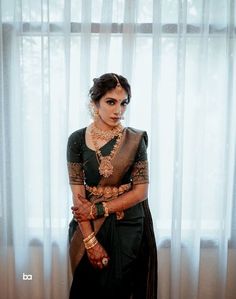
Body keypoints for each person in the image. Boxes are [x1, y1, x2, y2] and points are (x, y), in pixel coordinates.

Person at [67, 73, 157, 299]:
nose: (118, 110)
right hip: (88, 226)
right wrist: (90, 242)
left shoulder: (135, 140)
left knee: (121, 290)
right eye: (111, 102)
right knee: (87, 290)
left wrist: (98, 209)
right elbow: (78, 196)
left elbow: (141, 191)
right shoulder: (77, 139)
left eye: (124, 103)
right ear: (94, 103)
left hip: (128, 225)